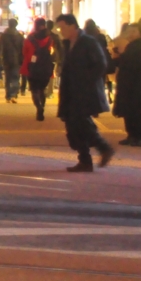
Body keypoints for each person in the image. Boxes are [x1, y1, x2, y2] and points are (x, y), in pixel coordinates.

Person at [55, 14, 113, 172]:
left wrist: (87, 81)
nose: (61, 31)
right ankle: (85, 159)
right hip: (70, 91)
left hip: (84, 91)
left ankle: (103, 148)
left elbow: (101, 64)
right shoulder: (67, 43)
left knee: (81, 123)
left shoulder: (88, 42)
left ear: (72, 25)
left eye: (62, 27)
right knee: (72, 125)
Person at [112, 23, 141, 147]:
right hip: (127, 81)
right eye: (130, 31)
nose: (131, 33)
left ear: (140, 32)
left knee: (138, 108)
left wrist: (123, 56)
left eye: (134, 31)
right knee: (128, 108)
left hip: (137, 82)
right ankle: (132, 135)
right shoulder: (131, 45)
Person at [23, 18, 56, 121]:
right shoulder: (50, 38)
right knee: (42, 89)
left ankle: (39, 108)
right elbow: (55, 52)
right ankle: (43, 106)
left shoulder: (30, 38)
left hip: (33, 67)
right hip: (46, 67)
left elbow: (24, 51)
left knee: (34, 90)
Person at [0, 18, 24, 103]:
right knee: (15, 77)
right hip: (17, 60)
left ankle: (8, 95)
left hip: (6, 59)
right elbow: (23, 49)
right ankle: (14, 94)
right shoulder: (20, 36)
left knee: (8, 78)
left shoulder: (3, 36)